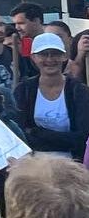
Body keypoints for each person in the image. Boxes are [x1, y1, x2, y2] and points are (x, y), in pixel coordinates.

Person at [15, 31, 89, 160]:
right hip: (32, 164)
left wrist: (37, 132)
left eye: (55, 54)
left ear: (64, 56)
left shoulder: (78, 91)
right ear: (33, 57)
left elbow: (81, 138)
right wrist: (63, 138)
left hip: (73, 164)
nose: (49, 59)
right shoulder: (23, 90)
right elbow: (19, 132)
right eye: (43, 54)